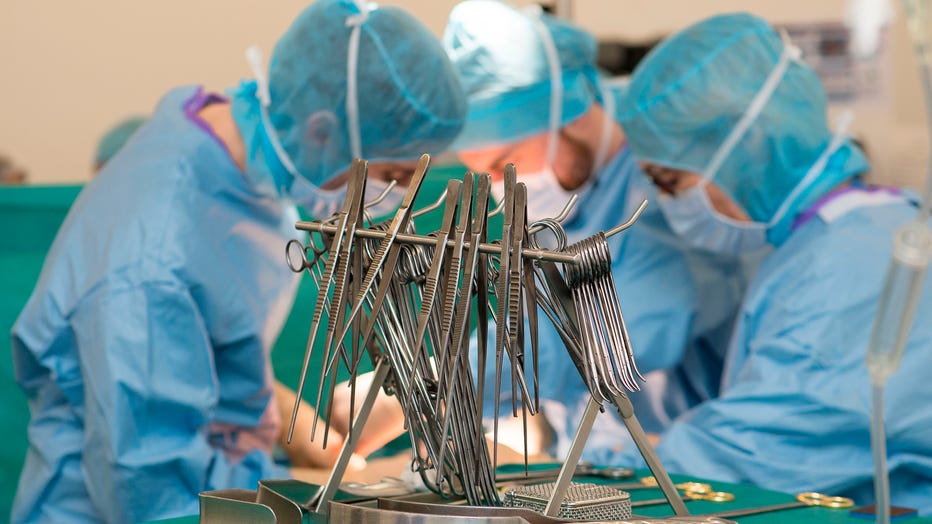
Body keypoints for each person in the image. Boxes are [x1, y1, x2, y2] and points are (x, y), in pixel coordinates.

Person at [10, 1, 466, 522]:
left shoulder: (222, 147)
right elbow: (151, 495)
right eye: (395, 174)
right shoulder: (152, 263)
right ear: (321, 131)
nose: (397, 196)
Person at [338, 0, 746, 464]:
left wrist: (431, 384)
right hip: (606, 463)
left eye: (504, 164)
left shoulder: (667, 188)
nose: (500, 188)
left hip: (696, 472)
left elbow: (609, 338)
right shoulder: (577, 196)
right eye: (483, 173)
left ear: (568, 114)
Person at [610, 12, 932, 513]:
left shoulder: (849, 265)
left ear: (746, 150)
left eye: (671, 181)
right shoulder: (838, 234)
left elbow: (751, 449)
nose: (667, 206)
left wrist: (587, 468)